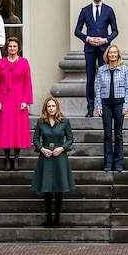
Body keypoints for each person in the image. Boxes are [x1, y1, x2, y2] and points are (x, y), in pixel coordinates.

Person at [74, 0, 119, 118]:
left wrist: (106, 40)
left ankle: (103, 107)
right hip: (90, 49)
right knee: (90, 78)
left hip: (104, 49)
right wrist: (87, 38)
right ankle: (90, 107)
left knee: (104, 78)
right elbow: (77, 30)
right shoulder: (85, 10)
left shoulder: (109, 10)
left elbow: (115, 31)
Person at [31, 97, 76, 228]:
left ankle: (57, 218)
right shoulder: (40, 122)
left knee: (59, 189)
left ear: (57, 107)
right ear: (45, 108)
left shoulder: (64, 121)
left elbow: (70, 139)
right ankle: (49, 218)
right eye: (49, 106)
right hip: (45, 157)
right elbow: (35, 139)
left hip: (59, 157)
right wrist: (41, 149)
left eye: (53, 106)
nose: (51, 108)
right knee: (47, 189)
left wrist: (62, 148)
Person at [0, 37, 33, 171]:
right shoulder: (1, 62)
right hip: (4, 100)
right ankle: (7, 159)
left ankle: (16, 158)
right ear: (6, 48)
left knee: (17, 130)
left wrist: (25, 101)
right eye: (10, 46)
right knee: (6, 130)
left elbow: (28, 82)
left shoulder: (24, 62)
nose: (12, 49)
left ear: (19, 48)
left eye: (14, 46)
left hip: (18, 100)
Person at [94, 45, 128, 172]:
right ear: (107, 55)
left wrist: (126, 105)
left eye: (115, 53)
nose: (113, 55)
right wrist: (99, 106)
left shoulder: (124, 69)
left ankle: (119, 163)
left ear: (118, 55)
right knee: (108, 134)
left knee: (118, 134)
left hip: (119, 104)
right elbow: (97, 88)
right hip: (106, 105)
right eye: (110, 53)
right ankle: (108, 163)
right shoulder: (102, 69)